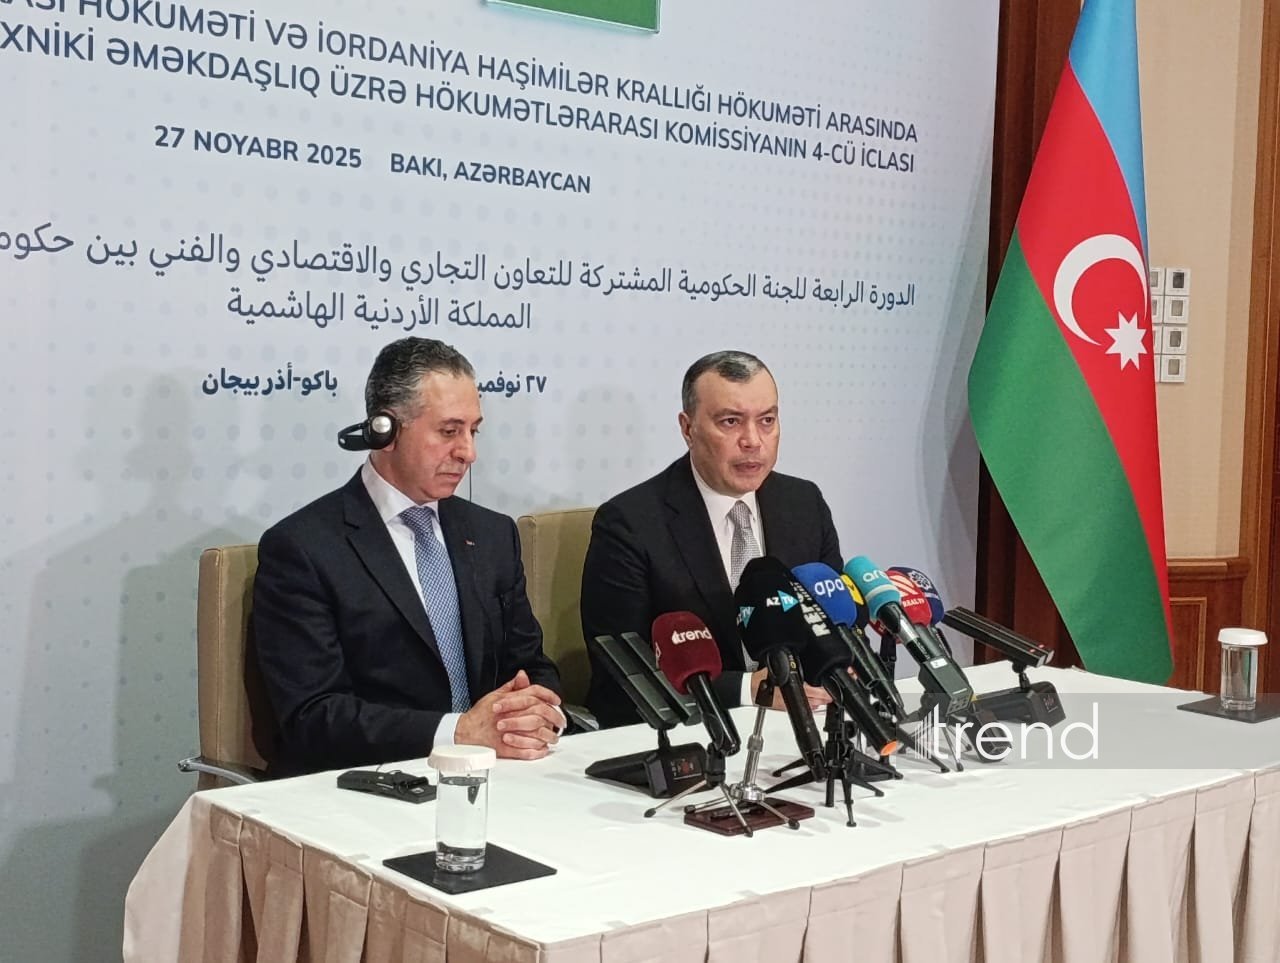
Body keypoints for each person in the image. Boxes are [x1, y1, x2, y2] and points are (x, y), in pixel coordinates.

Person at [253, 337, 563, 776]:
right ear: (385, 431)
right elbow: (314, 717)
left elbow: (530, 664)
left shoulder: (493, 535)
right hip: (370, 783)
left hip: (498, 774)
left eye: (473, 431)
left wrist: (538, 713)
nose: (468, 452)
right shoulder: (303, 548)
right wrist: (457, 732)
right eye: (449, 431)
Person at [581, 350, 842, 728]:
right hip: (695, 730)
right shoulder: (629, 524)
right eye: (730, 422)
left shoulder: (804, 504)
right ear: (688, 428)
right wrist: (747, 690)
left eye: (767, 420)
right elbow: (624, 674)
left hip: (806, 723)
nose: (753, 440)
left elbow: (832, 628)